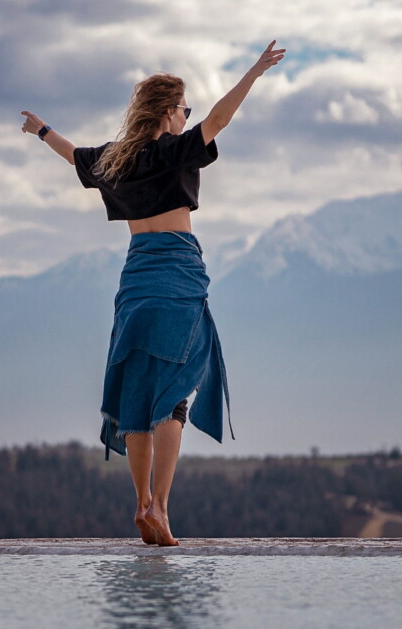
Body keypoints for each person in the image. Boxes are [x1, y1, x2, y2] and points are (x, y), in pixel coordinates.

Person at [21, 41, 285, 546]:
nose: (189, 117)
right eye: (184, 110)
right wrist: (253, 73)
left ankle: (140, 502)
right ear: (169, 112)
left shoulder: (115, 160)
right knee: (176, 391)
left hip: (135, 279)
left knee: (136, 392)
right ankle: (161, 508)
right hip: (178, 274)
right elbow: (222, 119)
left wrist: (40, 130)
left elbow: (72, 154)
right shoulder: (173, 149)